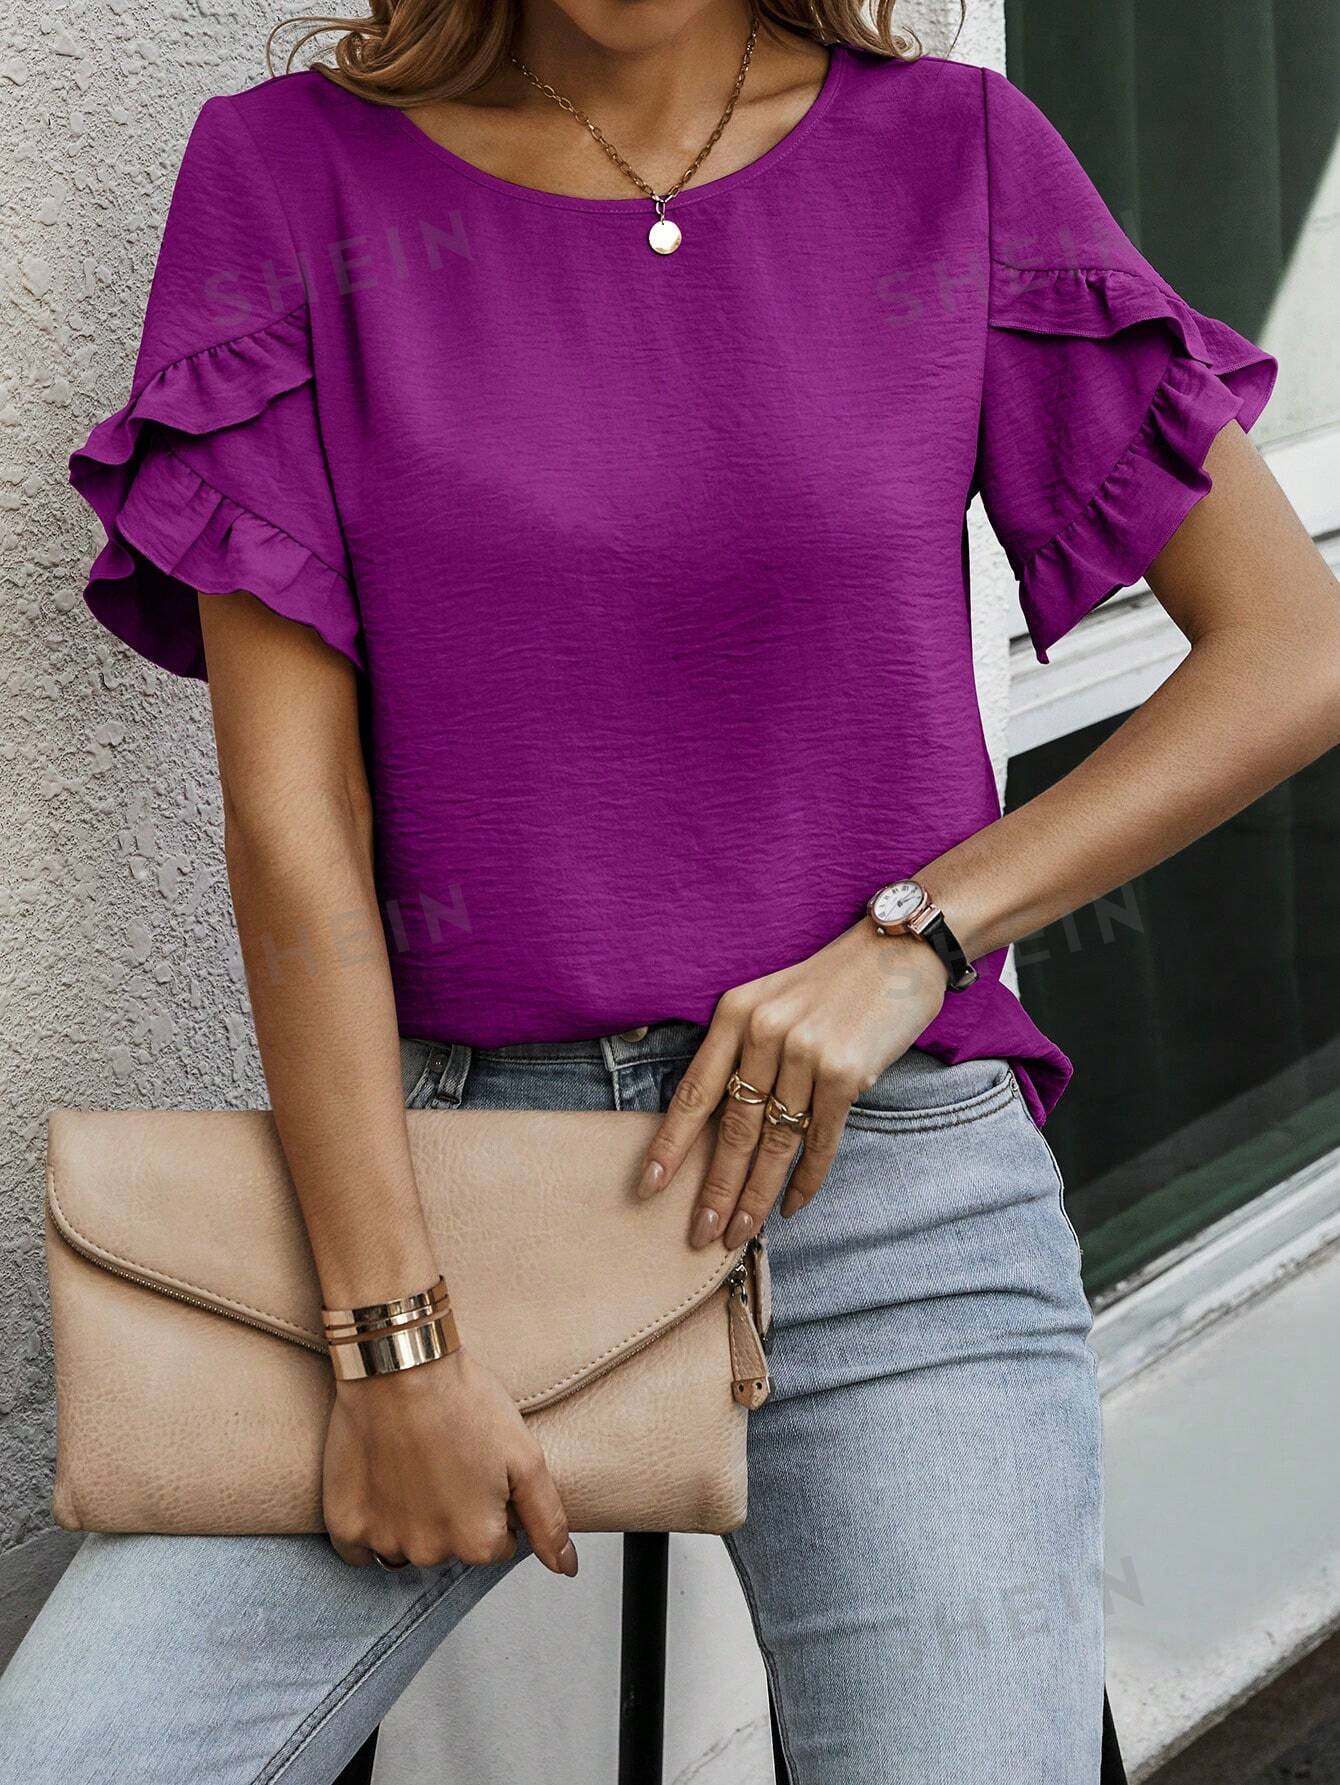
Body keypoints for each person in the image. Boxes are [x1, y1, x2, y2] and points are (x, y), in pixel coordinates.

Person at [4, 2, 1336, 1780]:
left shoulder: (954, 155)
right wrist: (392, 1348)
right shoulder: (288, 178)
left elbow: (1289, 647)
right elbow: (290, 823)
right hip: (451, 1188)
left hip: (895, 1197)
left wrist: (915, 939)